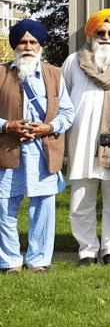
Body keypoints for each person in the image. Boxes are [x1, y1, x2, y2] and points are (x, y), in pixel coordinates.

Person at [0, 20, 74, 273]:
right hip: (8, 151)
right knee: (5, 207)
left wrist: (49, 128)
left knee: (43, 206)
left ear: (41, 45)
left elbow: (67, 112)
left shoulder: (55, 74)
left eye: (33, 42)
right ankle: (10, 261)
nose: (28, 47)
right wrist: (7, 126)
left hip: (43, 152)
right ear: (15, 46)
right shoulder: (1, 73)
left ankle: (39, 260)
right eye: (23, 42)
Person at [63, 9, 110, 266]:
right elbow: (63, 99)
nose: (105, 37)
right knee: (81, 198)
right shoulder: (73, 62)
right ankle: (87, 249)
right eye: (100, 32)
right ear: (91, 34)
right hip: (80, 139)